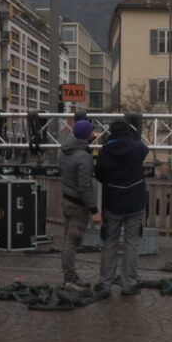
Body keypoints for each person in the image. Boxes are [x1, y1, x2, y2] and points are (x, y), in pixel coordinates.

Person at [94, 119, 149, 296]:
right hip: (135, 203)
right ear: (128, 131)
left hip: (113, 203)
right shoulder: (137, 148)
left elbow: (99, 175)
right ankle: (129, 284)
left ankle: (105, 283)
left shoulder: (106, 152)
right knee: (132, 244)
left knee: (109, 243)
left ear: (111, 132)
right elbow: (144, 148)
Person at [58, 119, 100, 290]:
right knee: (72, 242)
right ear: (86, 135)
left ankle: (71, 277)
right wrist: (94, 210)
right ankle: (69, 280)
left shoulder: (65, 151)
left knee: (68, 240)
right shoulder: (83, 156)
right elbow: (84, 186)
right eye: (92, 132)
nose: (94, 134)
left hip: (67, 200)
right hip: (77, 205)